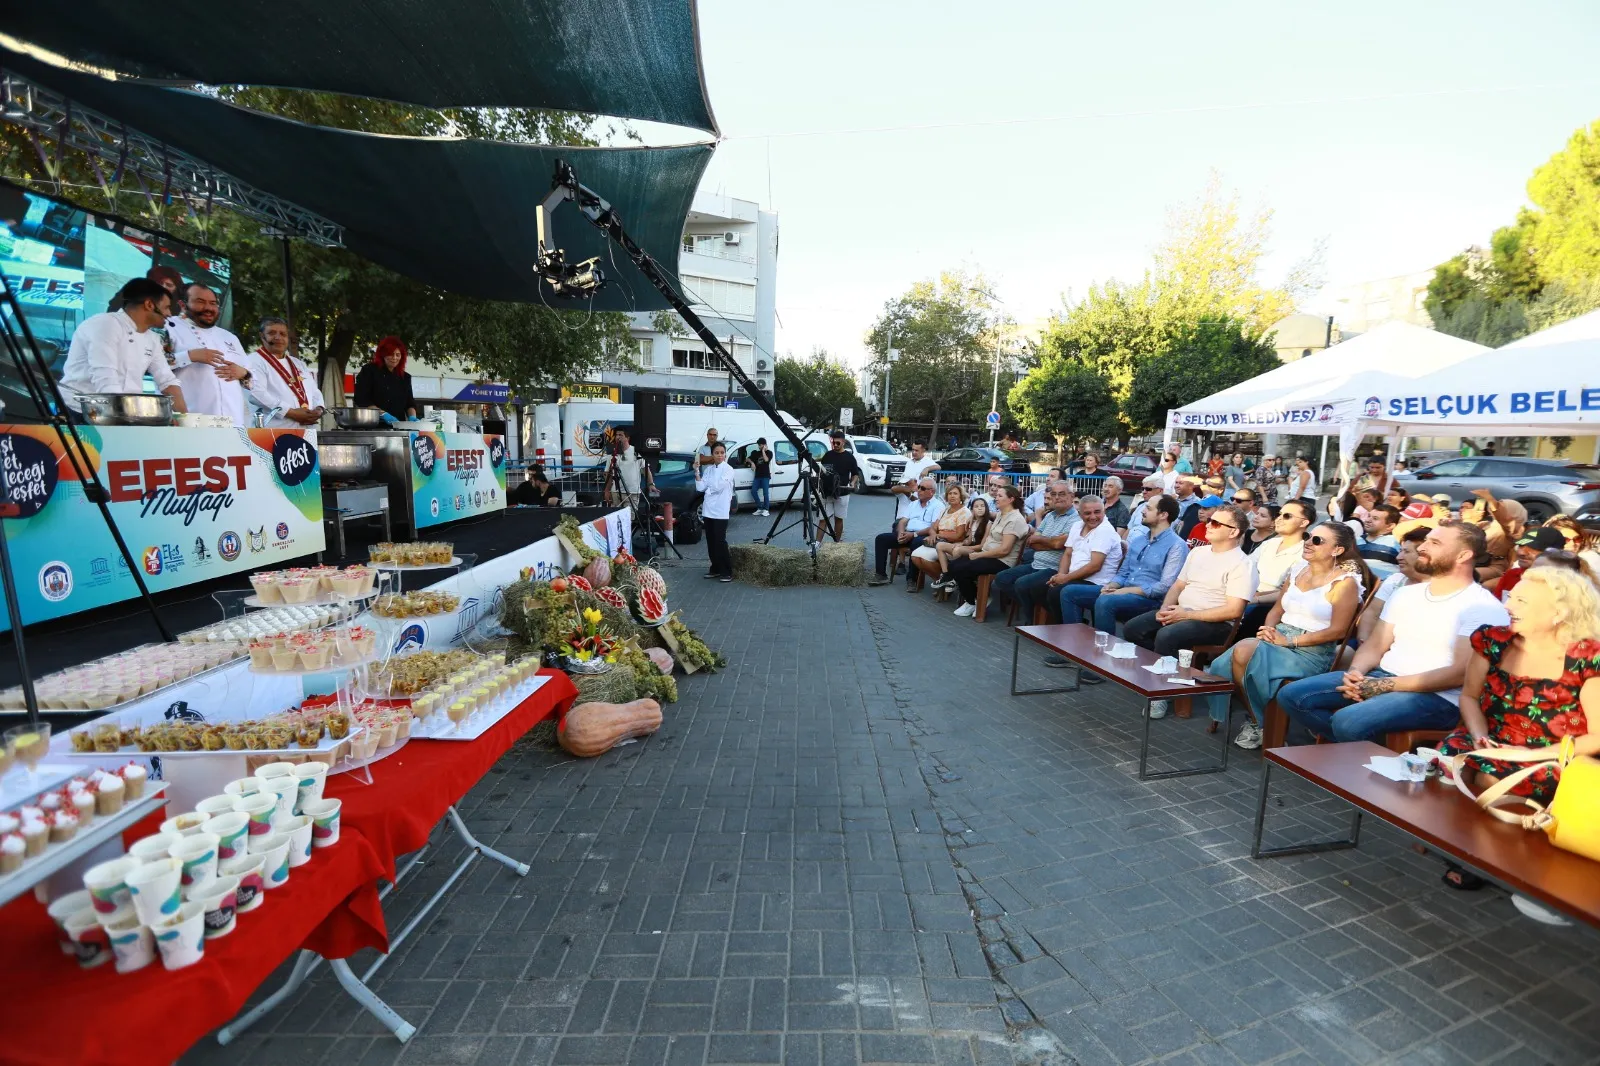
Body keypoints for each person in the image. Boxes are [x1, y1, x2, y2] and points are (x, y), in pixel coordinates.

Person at [1277, 521, 1509, 743]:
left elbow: (1459, 674)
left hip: (1436, 696)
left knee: (1347, 721)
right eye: (1426, 541)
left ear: (1464, 555)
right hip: (1380, 676)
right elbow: (1376, 644)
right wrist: (1356, 673)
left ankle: (1357, 756)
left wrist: (1383, 686)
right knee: (1293, 696)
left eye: (1435, 543)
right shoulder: (1407, 593)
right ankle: (1362, 752)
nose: (1423, 548)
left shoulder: (1482, 607)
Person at [1437, 566, 1600, 811]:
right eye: (1511, 597)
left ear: (1558, 613)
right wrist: (1480, 738)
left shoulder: (1586, 658)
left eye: (1521, 601)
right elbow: (1469, 697)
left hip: (1551, 755)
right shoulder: (1492, 640)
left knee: (1490, 779)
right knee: (1448, 763)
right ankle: (1439, 836)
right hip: (1490, 738)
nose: (1508, 607)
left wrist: (1531, 755)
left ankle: (1479, 845)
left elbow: (1596, 737)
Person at [1202, 522, 1369, 748]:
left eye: (1317, 540)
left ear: (1337, 550)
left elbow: (1337, 631)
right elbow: (1277, 610)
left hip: (1312, 650)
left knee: (1241, 653)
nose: (1308, 542)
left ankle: (1260, 721)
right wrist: (1268, 628)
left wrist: (1289, 641)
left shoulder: (1344, 583)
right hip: (1278, 638)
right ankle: (1263, 721)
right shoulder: (1298, 569)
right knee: (1231, 660)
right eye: (1309, 536)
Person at [1124, 504, 1254, 694]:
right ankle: (1163, 673)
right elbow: (1178, 585)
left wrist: (1186, 615)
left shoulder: (1243, 564)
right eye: (1210, 520)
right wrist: (1165, 608)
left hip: (1216, 623)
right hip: (1182, 612)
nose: (1208, 525)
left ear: (1233, 532)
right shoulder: (1197, 552)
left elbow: (1233, 611)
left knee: (1167, 636)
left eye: (1216, 523)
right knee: (1132, 629)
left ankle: (1163, 691)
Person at [58, 277, 188, 416]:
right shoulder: (105, 325)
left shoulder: (152, 339)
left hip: (123, 412)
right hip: (79, 411)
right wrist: (125, 420)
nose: (169, 314)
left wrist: (185, 419)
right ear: (149, 305)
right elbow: (106, 381)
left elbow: (167, 381)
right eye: (167, 307)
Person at [1090, 494, 1189, 636]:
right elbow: (1123, 572)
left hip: (1149, 600)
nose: (1142, 511)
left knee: (1105, 601)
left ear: (1163, 515)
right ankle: (1073, 647)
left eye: (1148, 508)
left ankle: (1102, 650)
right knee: (1069, 592)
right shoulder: (1138, 540)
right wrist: (1112, 585)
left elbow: (1165, 586)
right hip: (1123, 591)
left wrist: (1128, 591)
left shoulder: (1177, 545)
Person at [164, 283, 255, 424]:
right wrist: (189, 356)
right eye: (200, 302)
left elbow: (253, 380)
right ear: (183, 304)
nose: (208, 308)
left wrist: (244, 373)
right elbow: (152, 365)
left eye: (213, 303)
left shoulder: (229, 337)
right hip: (190, 422)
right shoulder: (168, 327)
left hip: (234, 423)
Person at [991, 482, 1080, 621]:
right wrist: (1052, 542)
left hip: (1054, 568)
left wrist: (1048, 541)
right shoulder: (1050, 516)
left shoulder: (1076, 519)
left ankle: (1032, 619)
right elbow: (1032, 541)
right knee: (1002, 578)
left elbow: (1059, 544)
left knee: (1022, 584)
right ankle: (1037, 609)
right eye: (1054, 494)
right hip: (1036, 563)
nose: (1057, 497)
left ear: (1071, 496)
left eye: (1061, 494)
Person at [1049, 494, 1125, 654]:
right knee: (1052, 589)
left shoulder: (1104, 530)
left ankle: (1073, 647)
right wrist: (1060, 575)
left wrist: (1065, 578)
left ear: (1104, 511)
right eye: (1087, 513)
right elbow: (1068, 553)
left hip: (1099, 583)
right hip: (1077, 578)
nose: (1093, 517)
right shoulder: (1077, 526)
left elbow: (1094, 566)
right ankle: (1069, 638)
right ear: (1079, 514)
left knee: (1063, 592)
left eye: (1097, 512)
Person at [947, 485, 1028, 618]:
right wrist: (972, 517)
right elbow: (983, 514)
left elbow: (1004, 550)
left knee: (963, 568)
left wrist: (979, 554)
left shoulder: (1015, 519)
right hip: (988, 555)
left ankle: (974, 601)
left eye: (1000, 496)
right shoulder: (1002, 514)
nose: (996, 498)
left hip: (1002, 561)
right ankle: (975, 599)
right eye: (996, 495)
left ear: (1011, 499)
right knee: (954, 565)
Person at [1240, 500, 1314, 636]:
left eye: (1287, 516)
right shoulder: (1270, 543)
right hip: (1249, 594)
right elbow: (1244, 567)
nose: (1279, 519)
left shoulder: (1305, 552)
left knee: (1249, 613)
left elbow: (1288, 592)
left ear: (1304, 523)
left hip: (1270, 605)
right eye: (1280, 514)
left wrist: (1254, 598)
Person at [244, 316, 326, 428]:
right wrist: (291, 412)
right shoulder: (254, 361)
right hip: (273, 431)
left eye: (283, 334)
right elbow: (256, 394)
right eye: (272, 333)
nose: (278, 337)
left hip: (306, 432)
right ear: (262, 336)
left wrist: (319, 409)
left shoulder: (298, 363)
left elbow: (314, 391)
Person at [870, 478, 945, 588]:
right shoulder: (913, 504)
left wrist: (913, 534)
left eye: (923, 488)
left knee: (916, 542)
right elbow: (903, 521)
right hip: (907, 534)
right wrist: (901, 533)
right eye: (919, 487)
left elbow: (933, 527)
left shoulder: (938, 505)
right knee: (881, 539)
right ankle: (881, 575)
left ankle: (912, 580)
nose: (919, 490)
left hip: (923, 536)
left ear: (932, 491)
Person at [912, 483, 971, 588]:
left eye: (955, 494)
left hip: (952, 545)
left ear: (961, 496)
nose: (952, 496)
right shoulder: (944, 510)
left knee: (925, 559)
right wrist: (933, 534)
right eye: (949, 493)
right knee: (915, 557)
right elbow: (933, 527)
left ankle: (947, 578)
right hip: (939, 542)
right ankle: (941, 580)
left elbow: (959, 536)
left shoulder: (964, 512)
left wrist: (939, 534)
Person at [694, 442, 735, 582]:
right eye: (717, 453)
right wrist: (697, 471)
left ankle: (727, 570)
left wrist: (709, 487)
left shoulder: (729, 470)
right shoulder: (709, 470)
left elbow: (718, 486)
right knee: (710, 540)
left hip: (721, 510)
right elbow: (700, 487)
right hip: (708, 510)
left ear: (725, 454)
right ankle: (715, 568)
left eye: (722, 453)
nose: (719, 455)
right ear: (713, 454)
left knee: (720, 540)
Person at [933, 495, 991, 591]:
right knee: (940, 545)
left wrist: (961, 547)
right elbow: (968, 541)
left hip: (978, 550)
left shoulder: (988, 523)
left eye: (982, 506)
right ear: (972, 510)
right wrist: (961, 543)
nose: (980, 508)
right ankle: (946, 575)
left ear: (986, 508)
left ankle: (955, 578)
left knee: (957, 551)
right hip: (968, 547)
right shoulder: (973, 522)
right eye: (976, 507)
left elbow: (982, 545)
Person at [1493, 527, 1567, 601]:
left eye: (1533, 547)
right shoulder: (1510, 575)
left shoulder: (1563, 586)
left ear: (1554, 553)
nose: (1521, 552)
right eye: (1521, 546)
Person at [353, 336, 416, 420]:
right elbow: (361, 398)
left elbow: (410, 403)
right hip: (372, 425)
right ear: (382, 354)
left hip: (398, 427)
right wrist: (382, 414)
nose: (394, 358)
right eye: (390, 354)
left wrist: (413, 417)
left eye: (398, 355)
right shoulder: (369, 371)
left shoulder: (405, 377)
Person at [816, 430, 861, 542]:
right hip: (827, 493)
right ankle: (816, 544)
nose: (835, 445)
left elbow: (855, 474)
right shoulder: (828, 455)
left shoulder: (849, 457)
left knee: (839, 518)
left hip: (842, 493)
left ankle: (836, 543)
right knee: (823, 519)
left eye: (838, 443)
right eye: (833, 443)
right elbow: (822, 471)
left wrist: (852, 482)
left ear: (843, 442)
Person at [890, 440, 942, 532]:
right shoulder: (909, 462)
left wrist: (927, 468)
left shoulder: (927, 461)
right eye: (912, 450)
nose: (913, 452)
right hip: (905, 500)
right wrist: (906, 488)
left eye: (916, 450)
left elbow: (938, 467)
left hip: (918, 497)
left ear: (923, 450)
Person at [602, 428, 653, 508]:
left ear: (627, 438)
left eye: (620, 435)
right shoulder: (612, 454)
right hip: (615, 492)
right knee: (615, 518)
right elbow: (608, 474)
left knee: (630, 518)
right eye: (616, 435)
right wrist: (607, 490)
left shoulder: (635, 452)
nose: (617, 437)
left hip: (632, 492)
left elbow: (645, 469)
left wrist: (651, 484)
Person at [1126, 473, 1165, 538]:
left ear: (1160, 490)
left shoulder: (1164, 510)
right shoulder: (1140, 506)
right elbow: (1129, 529)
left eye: (1148, 489)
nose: (1144, 492)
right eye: (1143, 489)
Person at [750, 437, 773, 517]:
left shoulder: (769, 453)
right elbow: (747, 459)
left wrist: (763, 451)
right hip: (757, 476)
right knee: (753, 491)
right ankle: (760, 508)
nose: (759, 446)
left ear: (764, 445)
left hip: (765, 476)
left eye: (760, 445)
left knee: (765, 493)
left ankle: (766, 509)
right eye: (758, 445)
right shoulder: (756, 453)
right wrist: (752, 462)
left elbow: (766, 460)